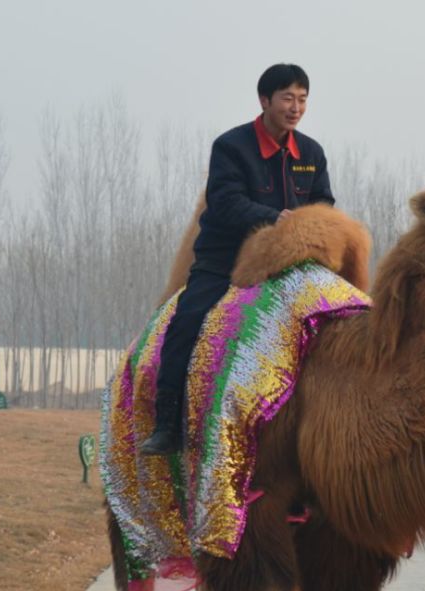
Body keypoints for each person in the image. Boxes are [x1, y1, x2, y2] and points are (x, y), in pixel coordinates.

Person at [141, 63, 334, 456]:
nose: (295, 107)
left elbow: (325, 204)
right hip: (225, 263)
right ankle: (168, 424)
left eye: (302, 99)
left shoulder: (311, 153)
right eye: (287, 98)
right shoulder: (231, 147)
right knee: (188, 321)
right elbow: (226, 203)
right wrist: (274, 218)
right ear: (265, 101)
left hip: (291, 265)